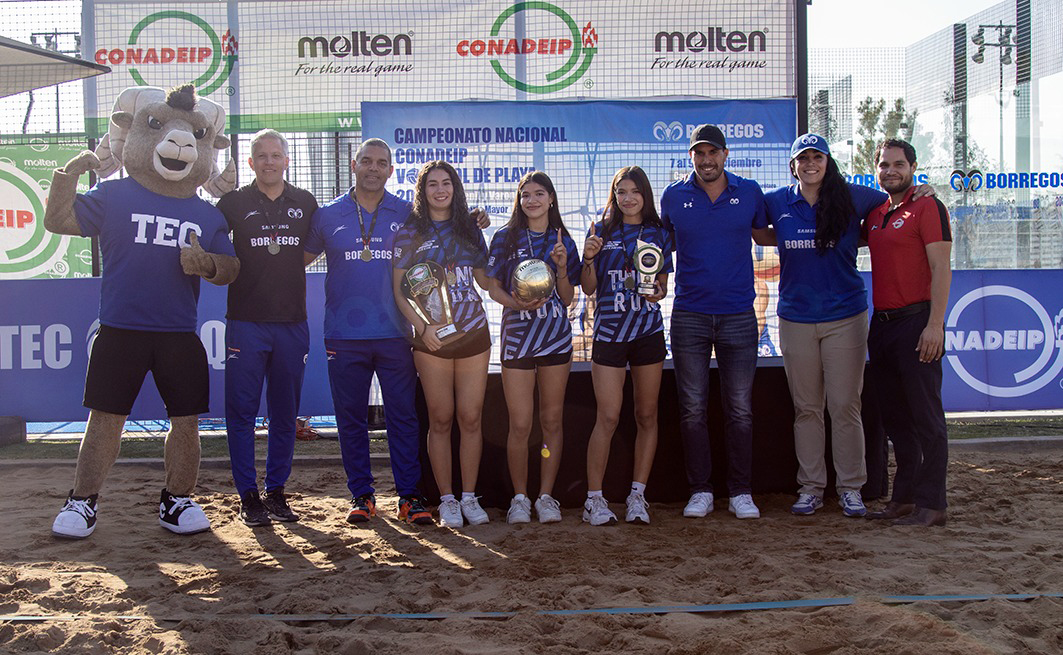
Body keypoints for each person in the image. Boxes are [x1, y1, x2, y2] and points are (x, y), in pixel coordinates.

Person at [304, 138, 434, 526]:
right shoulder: (327, 214)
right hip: (343, 335)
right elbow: (298, 260)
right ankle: (362, 496)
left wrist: (471, 219)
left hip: (395, 332)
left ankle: (409, 497)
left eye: (381, 163)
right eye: (367, 161)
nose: (373, 168)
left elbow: (439, 239)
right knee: (350, 419)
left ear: (391, 170)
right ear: (354, 163)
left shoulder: (408, 212)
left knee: (403, 418)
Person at [757, 133, 888, 518]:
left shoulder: (853, 196)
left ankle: (851, 489)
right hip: (796, 318)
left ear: (828, 161)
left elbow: (892, 206)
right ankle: (811, 488)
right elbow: (756, 230)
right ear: (793, 164)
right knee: (807, 408)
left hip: (845, 318)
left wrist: (923, 190)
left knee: (846, 406)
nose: (810, 163)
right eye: (803, 158)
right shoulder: (777, 201)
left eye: (817, 156)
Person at [659, 124, 767, 520]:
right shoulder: (673, 196)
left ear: (725, 155)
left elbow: (776, 226)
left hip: (739, 315)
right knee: (692, 409)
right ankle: (700, 490)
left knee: (740, 409)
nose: (706, 160)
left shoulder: (750, 193)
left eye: (712, 153)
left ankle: (741, 491)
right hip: (689, 315)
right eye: (698, 154)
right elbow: (656, 248)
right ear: (691, 158)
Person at [216, 129, 319, 527]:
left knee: (285, 413)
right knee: (240, 413)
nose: (270, 161)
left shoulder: (305, 202)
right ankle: (248, 496)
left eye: (277, 155)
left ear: (287, 160)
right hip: (245, 322)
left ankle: (276, 492)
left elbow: (315, 247)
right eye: (262, 155)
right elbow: (206, 231)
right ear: (251, 162)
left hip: (292, 324)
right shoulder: (233, 202)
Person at [391, 161, 492, 528]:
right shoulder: (410, 232)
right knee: (441, 417)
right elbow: (399, 289)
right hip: (431, 340)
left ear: (455, 188)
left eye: (446, 183)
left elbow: (485, 282)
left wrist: (517, 297)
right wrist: (421, 327)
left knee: (470, 417)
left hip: (474, 335)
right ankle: (447, 500)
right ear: (423, 191)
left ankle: (469, 497)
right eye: (432, 184)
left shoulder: (470, 228)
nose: (439, 190)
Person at [863, 138, 952, 527]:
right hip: (881, 326)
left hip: (918, 322)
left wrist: (936, 324)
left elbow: (942, 268)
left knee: (927, 418)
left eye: (898, 164)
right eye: (884, 165)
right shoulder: (877, 212)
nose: (890, 171)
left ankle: (933, 504)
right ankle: (904, 497)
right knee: (896, 419)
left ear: (913, 167)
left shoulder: (929, 206)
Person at [486, 171, 581, 524]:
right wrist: (513, 303)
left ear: (551, 199)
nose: (532, 200)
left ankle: (545, 496)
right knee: (521, 424)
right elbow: (492, 287)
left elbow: (570, 297)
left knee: (551, 420)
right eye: (526, 195)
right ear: (519, 200)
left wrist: (560, 268)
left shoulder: (563, 241)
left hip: (555, 338)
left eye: (539, 194)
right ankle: (520, 498)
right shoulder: (505, 237)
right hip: (518, 340)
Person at [580, 166, 672, 526]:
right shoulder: (600, 231)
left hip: (647, 333)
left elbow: (661, 288)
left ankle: (637, 496)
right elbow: (587, 288)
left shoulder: (659, 232)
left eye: (635, 191)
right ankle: (594, 500)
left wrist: (656, 291)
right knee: (608, 416)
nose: (628, 197)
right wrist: (588, 258)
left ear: (645, 195)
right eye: (621, 191)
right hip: (609, 335)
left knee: (646, 415)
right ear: (614, 195)